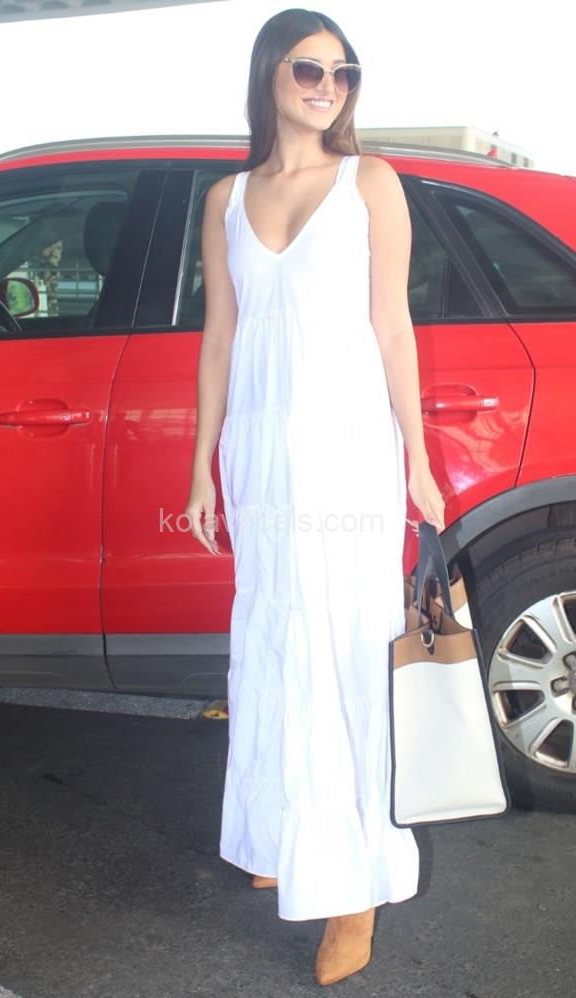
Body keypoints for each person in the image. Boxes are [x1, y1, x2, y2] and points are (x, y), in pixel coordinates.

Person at [184, 7, 445, 987]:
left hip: (346, 452)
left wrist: (416, 457)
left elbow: (392, 327)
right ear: (270, 74)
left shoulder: (369, 182)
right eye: (308, 69)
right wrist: (201, 463)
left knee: (342, 652)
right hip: (260, 454)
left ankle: (355, 887)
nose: (327, 86)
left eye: (343, 72)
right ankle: (281, 827)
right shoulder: (224, 198)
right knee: (272, 640)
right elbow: (219, 336)